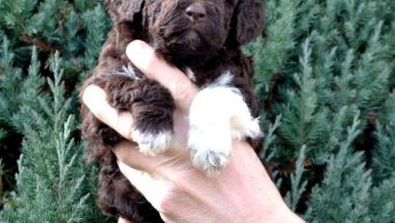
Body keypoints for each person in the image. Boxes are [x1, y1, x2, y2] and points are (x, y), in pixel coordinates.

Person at [83, 40, 305, 223]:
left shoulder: (228, 65)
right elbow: (100, 121)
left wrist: (256, 217)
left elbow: (244, 115)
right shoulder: (125, 53)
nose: (196, 7)